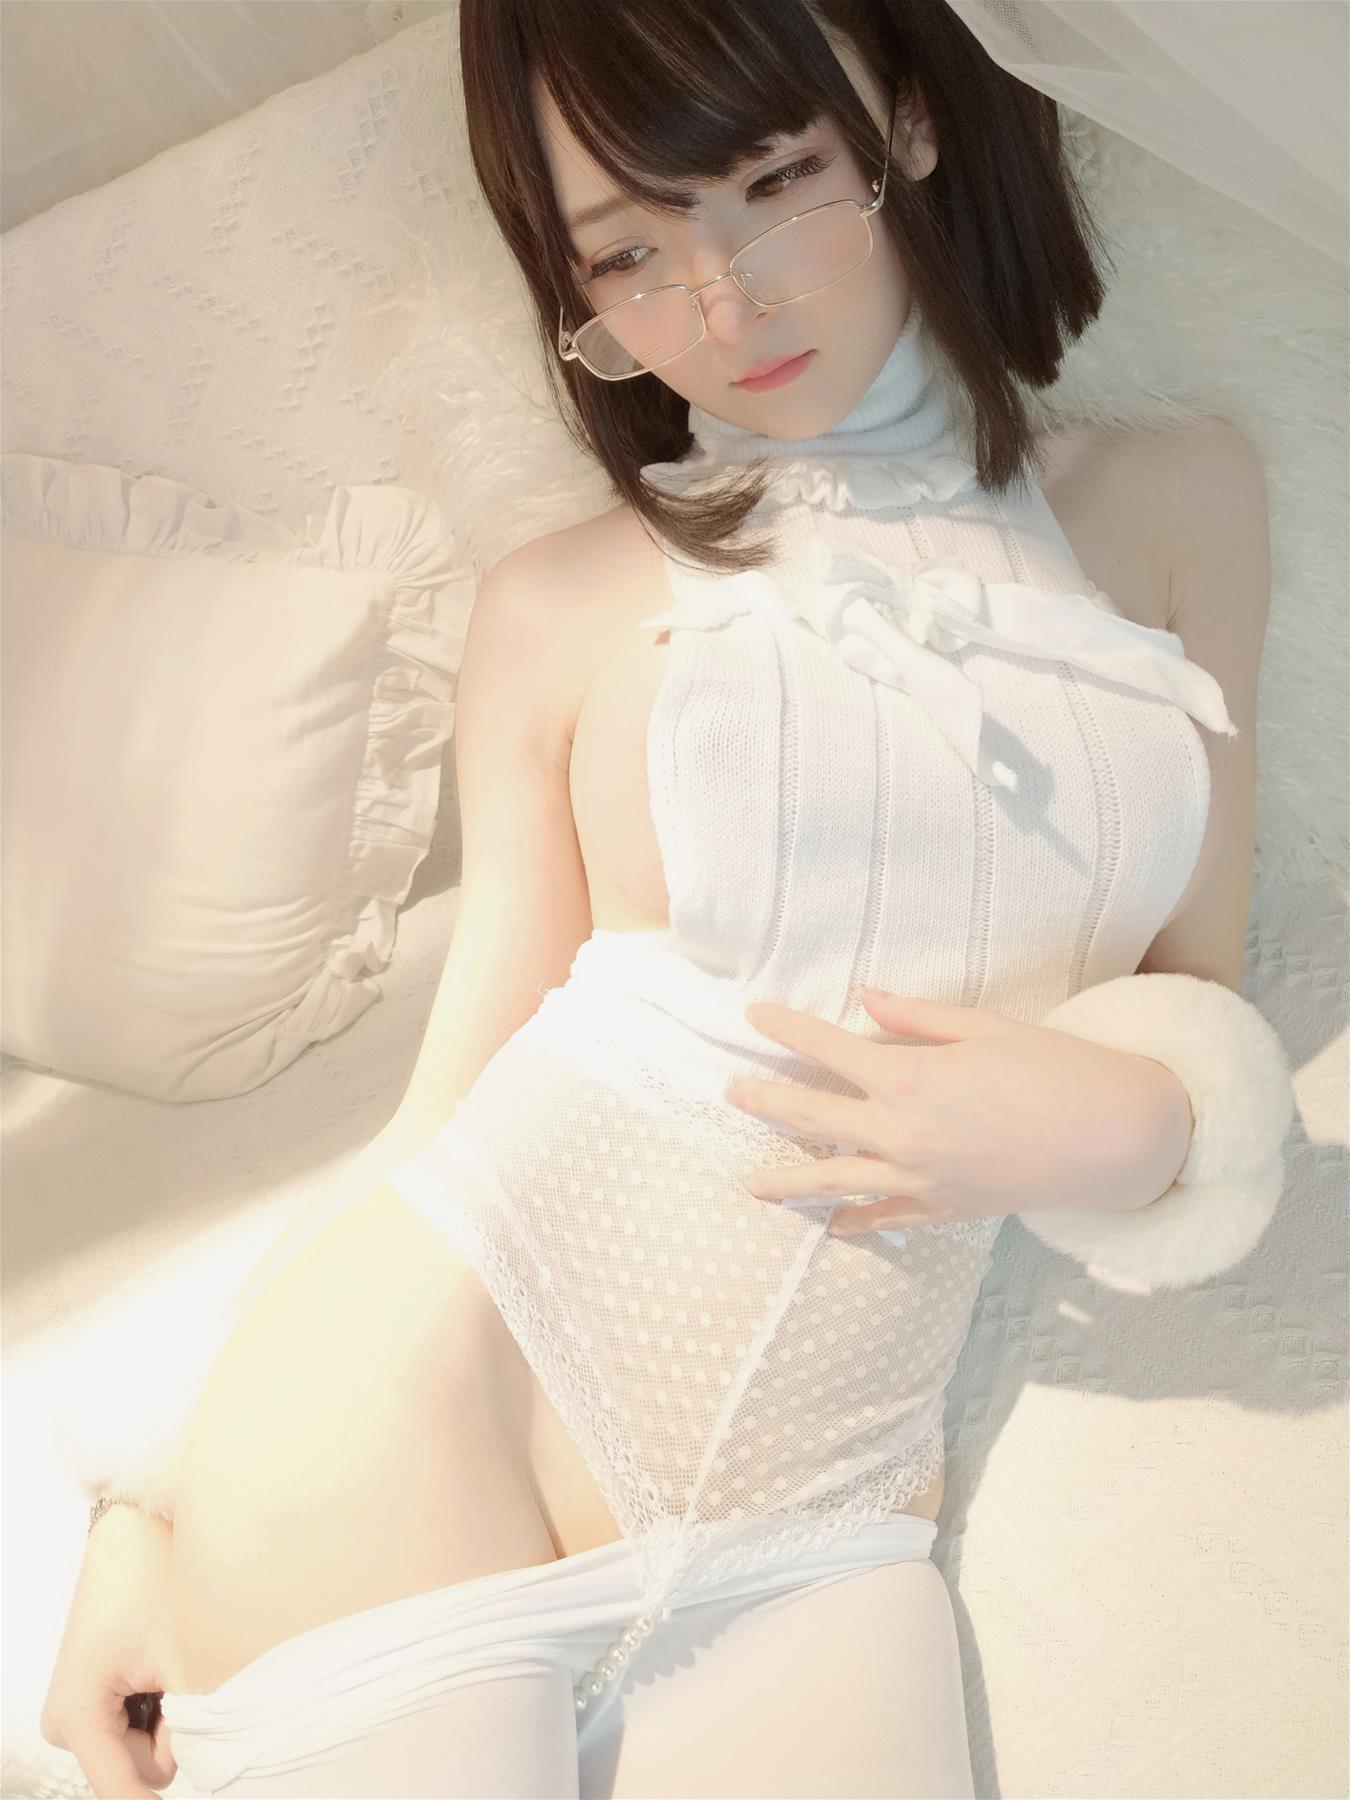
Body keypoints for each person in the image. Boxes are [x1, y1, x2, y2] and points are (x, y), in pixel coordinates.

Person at [41, 0, 1294, 1794]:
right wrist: (147, 1508)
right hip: (423, 1393)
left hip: (823, 1500)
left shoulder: (1178, 503)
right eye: (625, 253)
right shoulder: (554, 605)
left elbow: (1197, 986)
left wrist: (1139, 1121)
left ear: (907, 123)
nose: (722, 303)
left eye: (774, 183)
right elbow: (445, 1102)